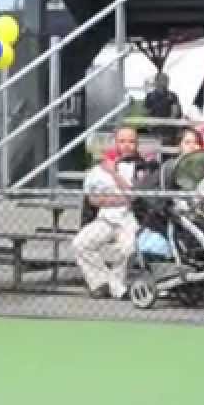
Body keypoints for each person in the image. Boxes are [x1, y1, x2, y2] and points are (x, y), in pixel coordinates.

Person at [73, 126, 142, 299]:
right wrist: (113, 199)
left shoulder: (142, 166)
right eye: (122, 141)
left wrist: (114, 174)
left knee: (128, 248)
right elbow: (93, 199)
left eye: (131, 141)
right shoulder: (98, 169)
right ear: (115, 143)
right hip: (105, 218)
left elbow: (134, 197)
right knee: (80, 243)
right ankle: (101, 283)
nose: (127, 145)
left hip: (129, 219)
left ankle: (116, 287)